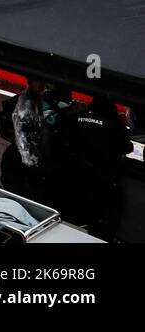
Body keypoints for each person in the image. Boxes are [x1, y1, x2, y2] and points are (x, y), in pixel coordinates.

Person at [66, 95, 132, 241]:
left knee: (80, 204)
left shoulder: (74, 118)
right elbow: (128, 147)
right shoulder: (112, 124)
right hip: (102, 176)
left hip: (76, 171)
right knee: (102, 209)